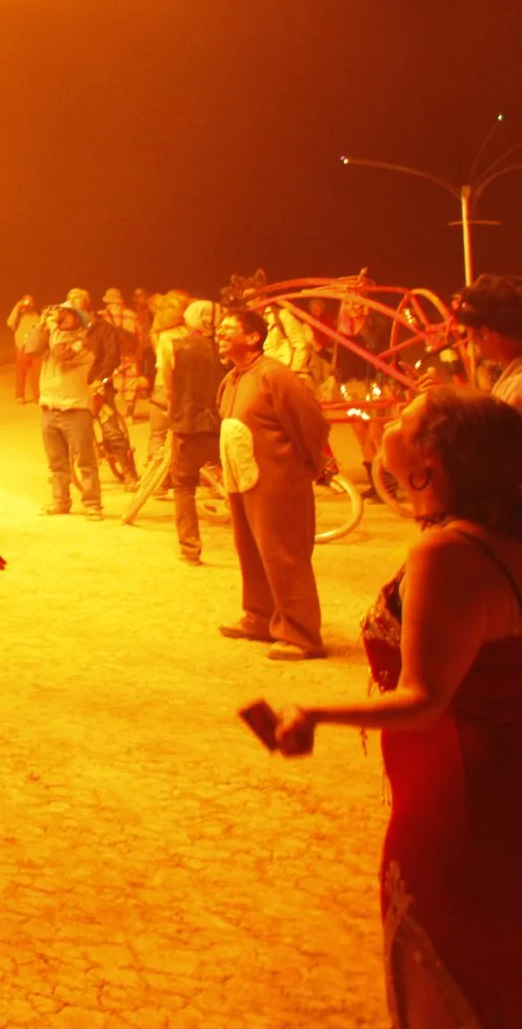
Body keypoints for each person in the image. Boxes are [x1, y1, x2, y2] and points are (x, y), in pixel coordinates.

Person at [250, 388, 522, 1028]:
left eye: (405, 418)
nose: (389, 418)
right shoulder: (496, 535)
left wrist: (312, 712)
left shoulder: (451, 552)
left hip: (458, 792)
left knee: (453, 962)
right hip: (503, 773)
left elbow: (425, 699)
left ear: (430, 457)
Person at [217, 305, 330, 659]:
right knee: (249, 549)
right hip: (243, 479)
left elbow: (310, 421)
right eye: (219, 329)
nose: (219, 334)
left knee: (283, 553)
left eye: (228, 329)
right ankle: (260, 616)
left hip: (277, 480)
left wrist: (312, 464)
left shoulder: (275, 375)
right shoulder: (233, 378)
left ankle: (301, 634)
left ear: (253, 338)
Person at [156, 299, 224, 564]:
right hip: (223, 425)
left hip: (188, 425)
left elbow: (170, 389)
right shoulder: (227, 347)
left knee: (184, 487)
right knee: (241, 488)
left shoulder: (171, 345)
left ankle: (190, 549)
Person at [38, 303, 104, 517]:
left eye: (65, 315)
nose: (60, 318)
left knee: (86, 461)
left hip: (76, 408)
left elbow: (61, 354)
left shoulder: (83, 342)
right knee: (57, 462)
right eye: (59, 314)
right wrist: (41, 326)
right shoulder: (50, 337)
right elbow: (28, 348)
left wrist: (52, 330)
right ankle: (60, 502)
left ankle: (92, 504)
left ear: (77, 319)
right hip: (49, 406)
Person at [451, 274, 522, 405]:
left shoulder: (515, 392)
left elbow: (489, 423)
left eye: (472, 336)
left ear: (484, 333)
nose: (473, 344)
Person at [7, 294, 48, 404]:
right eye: (26, 302)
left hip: (36, 349)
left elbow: (45, 328)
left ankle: (38, 396)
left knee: (37, 373)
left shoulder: (37, 315)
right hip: (22, 347)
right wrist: (18, 306)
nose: (28, 304)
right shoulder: (19, 316)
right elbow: (10, 322)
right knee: (21, 372)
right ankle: (20, 395)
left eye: (31, 302)